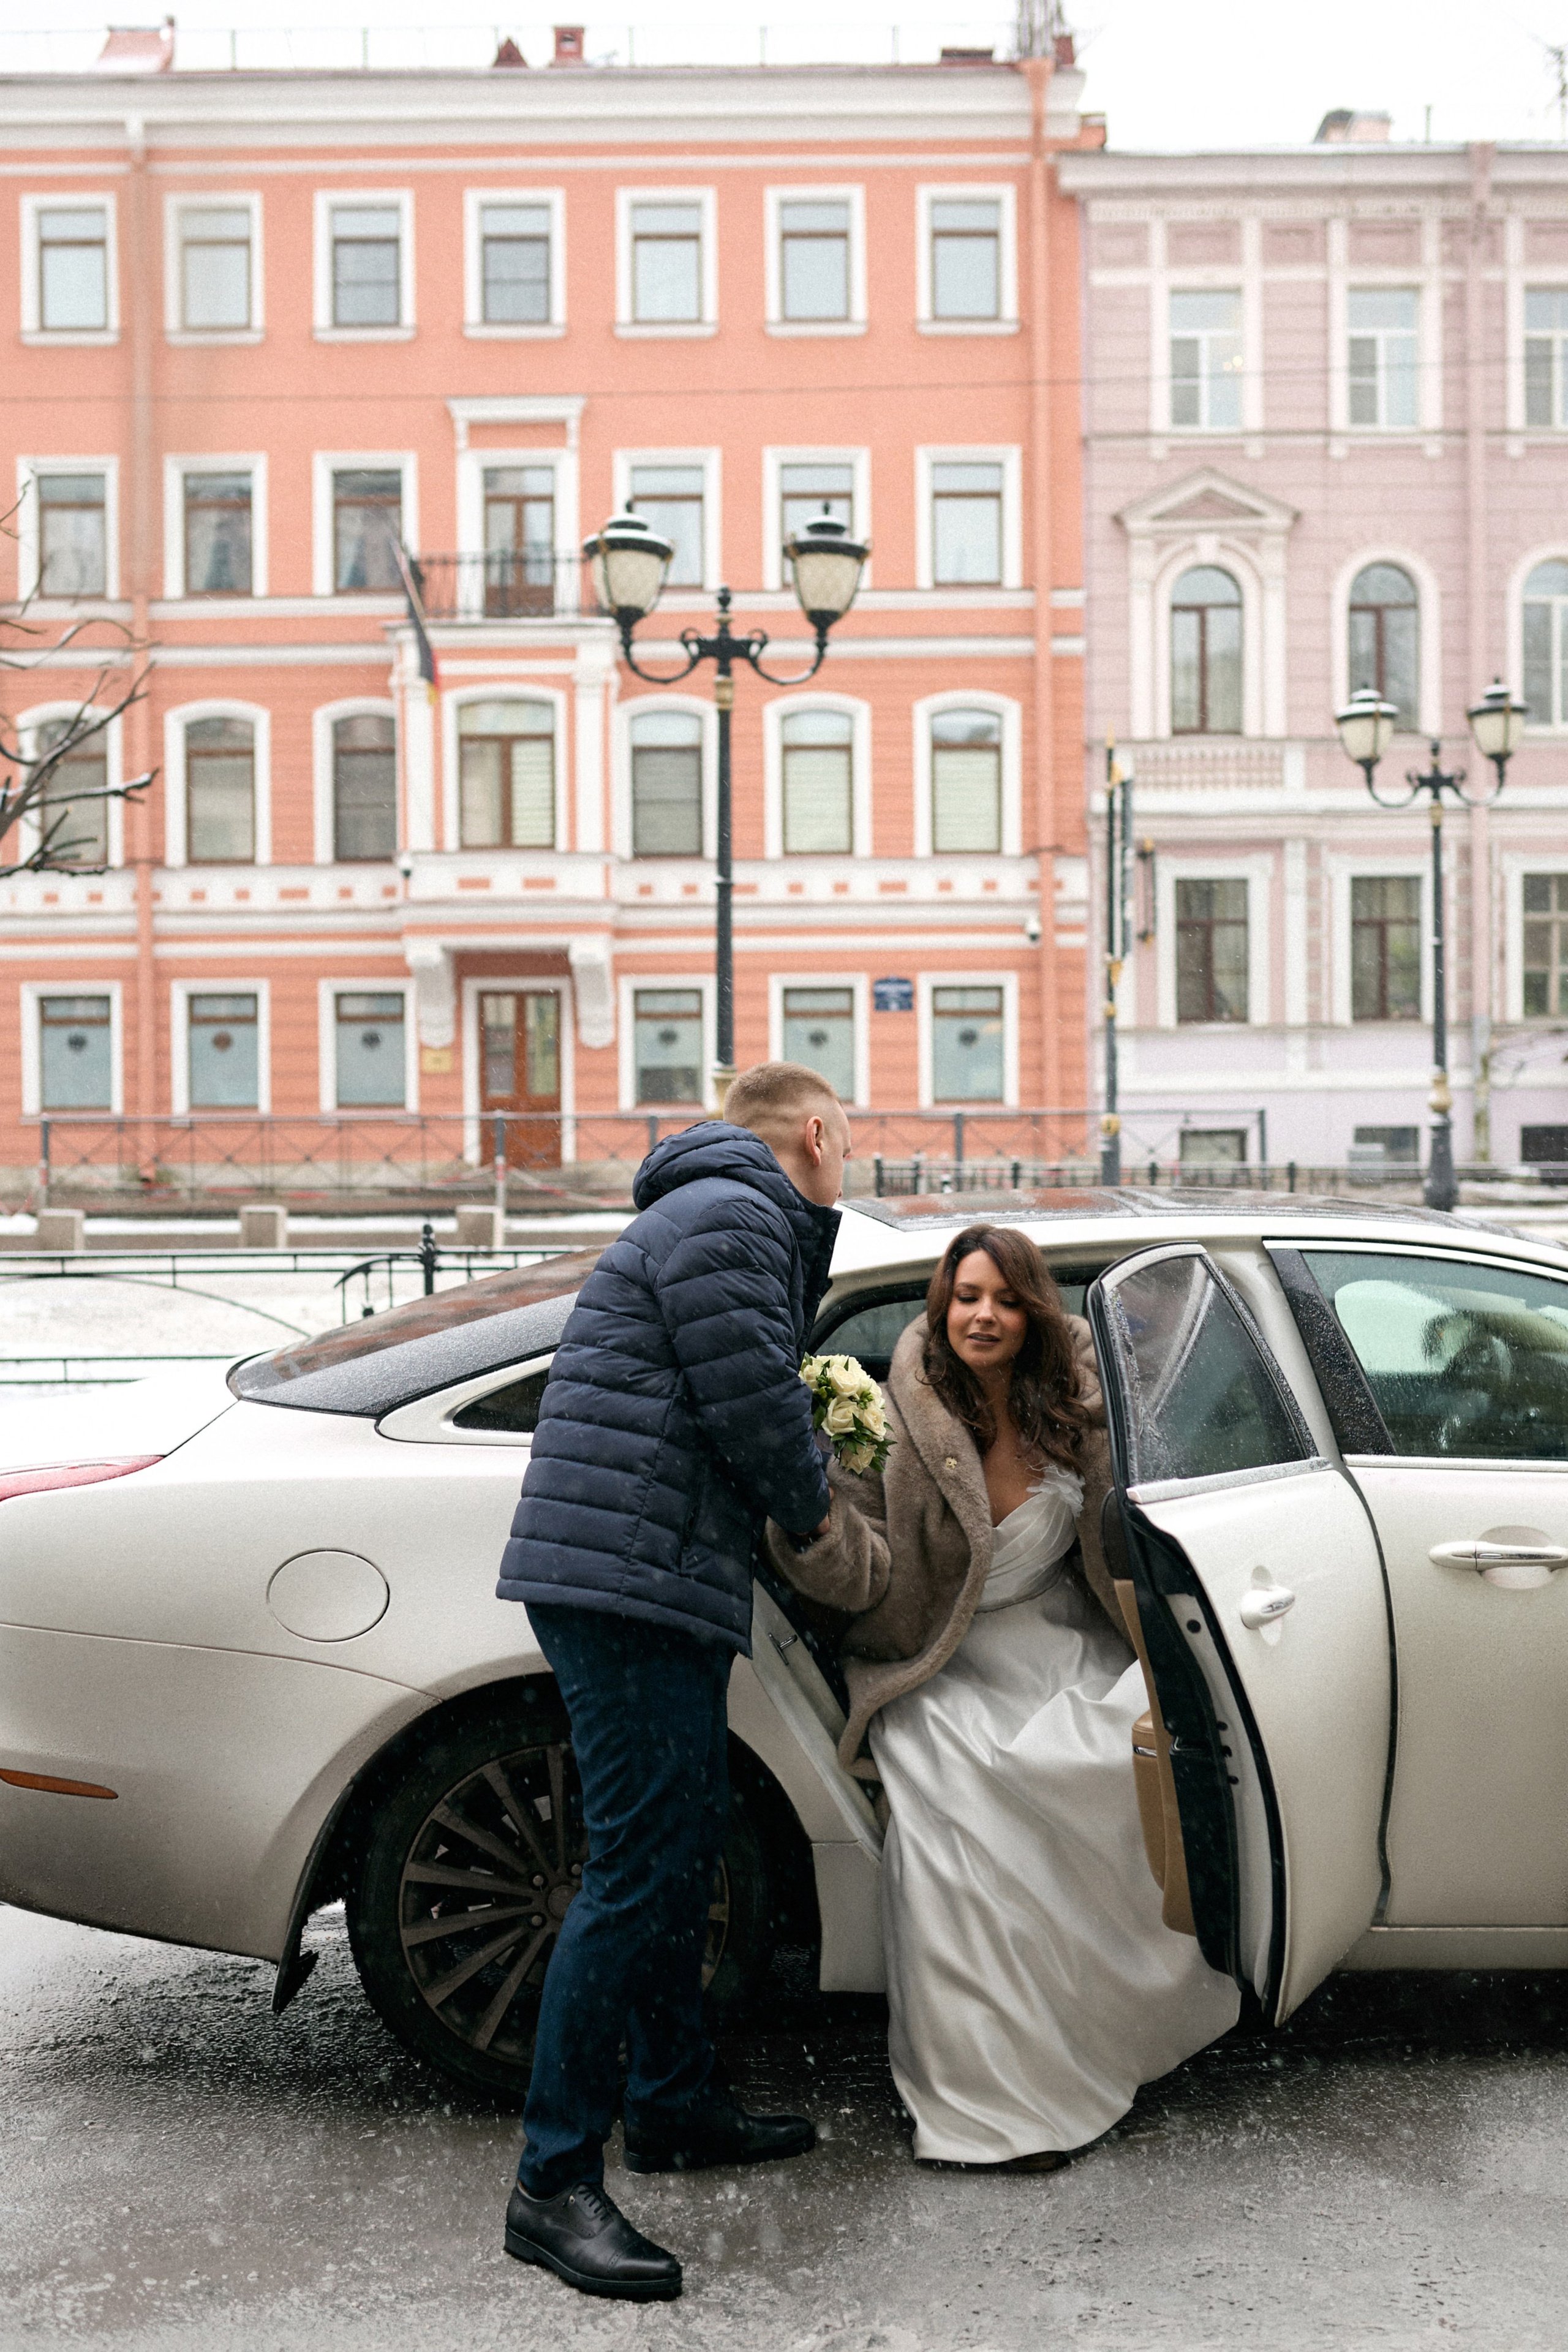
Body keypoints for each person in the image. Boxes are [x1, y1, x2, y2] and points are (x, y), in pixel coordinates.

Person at [765, 1223, 1240, 2171]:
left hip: (1067, 1640)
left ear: (1034, 1312)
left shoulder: (1078, 1407)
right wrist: (809, 1515)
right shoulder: (891, 1417)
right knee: (962, 1808)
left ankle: (1105, 2027)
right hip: (942, 1661)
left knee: (1117, 1755)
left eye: (1006, 1299)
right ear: (941, 1306)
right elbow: (862, 1579)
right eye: (967, 1296)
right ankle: (990, 2093)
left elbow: (1119, 1538)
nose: (984, 1315)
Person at [494, 1062, 853, 2301]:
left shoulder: (709, 1207)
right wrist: (818, 1507)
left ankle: (673, 2105)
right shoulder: (734, 1212)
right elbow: (751, 1392)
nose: (841, 1170)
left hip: (640, 1568)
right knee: (637, 1874)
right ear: (814, 1131)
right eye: (843, 1148)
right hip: (628, 1578)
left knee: (676, 1854)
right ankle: (552, 2185)